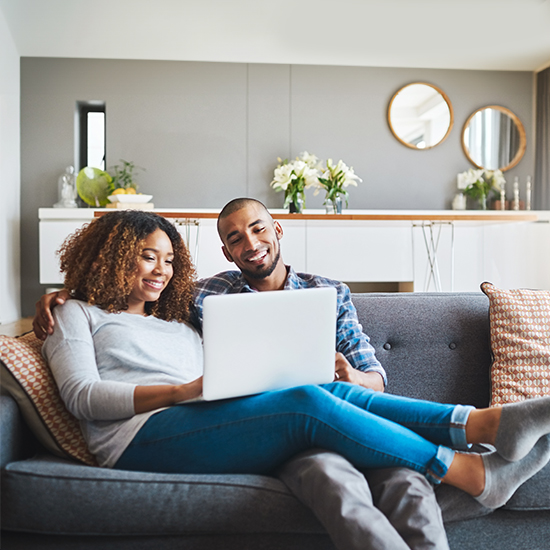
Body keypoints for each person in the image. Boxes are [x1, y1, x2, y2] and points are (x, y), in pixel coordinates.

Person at [33, 202, 550, 550]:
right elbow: (82, 395)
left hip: (213, 419)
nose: (162, 271)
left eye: (169, 260)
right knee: (305, 398)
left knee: (323, 390)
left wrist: (349, 374)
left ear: (278, 229)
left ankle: (483, 425)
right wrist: (64, 295)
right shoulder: (84, 313)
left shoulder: (176, 313)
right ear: (114, 257)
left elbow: (371, 375)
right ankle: (468, 463)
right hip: (141, 436)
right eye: (148, 257)